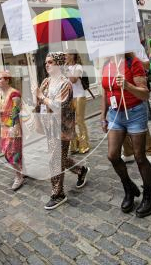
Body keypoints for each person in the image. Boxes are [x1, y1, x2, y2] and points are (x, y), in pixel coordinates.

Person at [101, 53, 151, 217]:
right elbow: (105, 92)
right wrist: (102, 116)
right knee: (112, 155)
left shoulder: (133, 62)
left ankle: (149, 195)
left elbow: (145, 94)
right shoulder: (106, 64)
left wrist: (128, 86)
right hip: (114, 114)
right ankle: (129, 187)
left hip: (135, 113)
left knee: (139, 156)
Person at [33, 52, 89, 210]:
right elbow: (40, 101)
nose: (47, 64)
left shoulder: (66, 84)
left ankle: (58, 194)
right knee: (60, 158)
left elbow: (58, 106)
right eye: (46, 62)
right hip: (49, 126)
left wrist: (41, 97)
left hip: (63, 127)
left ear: (58, 64)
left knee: (55, 159)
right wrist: (36, 96)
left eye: (50, 62)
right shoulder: (46, 81)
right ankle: (81, 170)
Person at [0, 70, 25, 190]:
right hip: (3, 128)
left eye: (0, 78)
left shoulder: (14, 93)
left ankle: (19, 176)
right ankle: (21, 171)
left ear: (7, 80)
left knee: (12, 153)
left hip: (13, 127)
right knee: (6, 152)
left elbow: (16, 111)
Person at [65, 51, 90, 154]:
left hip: (79, 96)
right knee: (70, 123)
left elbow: (74, 80)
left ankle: (84, 145)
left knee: (79, 121)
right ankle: (74, 146)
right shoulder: (66, 68)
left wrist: (67, 70)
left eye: (67, 55)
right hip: (70, 97)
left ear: (72, 56)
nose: (66, 57)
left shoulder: (78, 67)